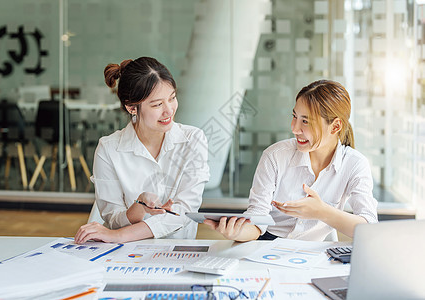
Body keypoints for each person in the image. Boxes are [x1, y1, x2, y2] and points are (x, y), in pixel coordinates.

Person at [204, 80, 378, 241]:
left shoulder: (355, 164)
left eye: (306, 121)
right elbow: (257, 219)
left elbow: (369, 229)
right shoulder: (275, 156)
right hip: (267, 244)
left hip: (313, 253)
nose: (294, 128)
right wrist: (236, 232)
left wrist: (322, 211)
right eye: (295, 116)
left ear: (336, 126)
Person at [75, 57, 210, 244]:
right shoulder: (108, 149)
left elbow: (185, 212)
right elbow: (112, 220)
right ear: (131, 107)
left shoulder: (193, 140)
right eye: (157, 104)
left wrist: (119, 236)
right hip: (125, 253)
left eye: (172, 98)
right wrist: (138, 208)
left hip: (177, 252)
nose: (169, 110)